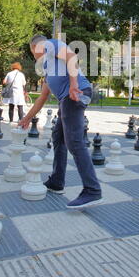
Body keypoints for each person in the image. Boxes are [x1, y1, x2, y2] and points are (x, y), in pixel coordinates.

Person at [19, 34, 103, 209]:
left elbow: (71, 57)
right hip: (67, 99)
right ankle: (57, 182)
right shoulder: (49, 68)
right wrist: (27, 118)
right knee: (58, 138)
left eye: (31, 51)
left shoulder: (49, 44)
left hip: (75, 93)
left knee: (74, 142)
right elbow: (42, 97)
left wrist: (73, 84)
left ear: (35, 46)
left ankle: (92, 190)